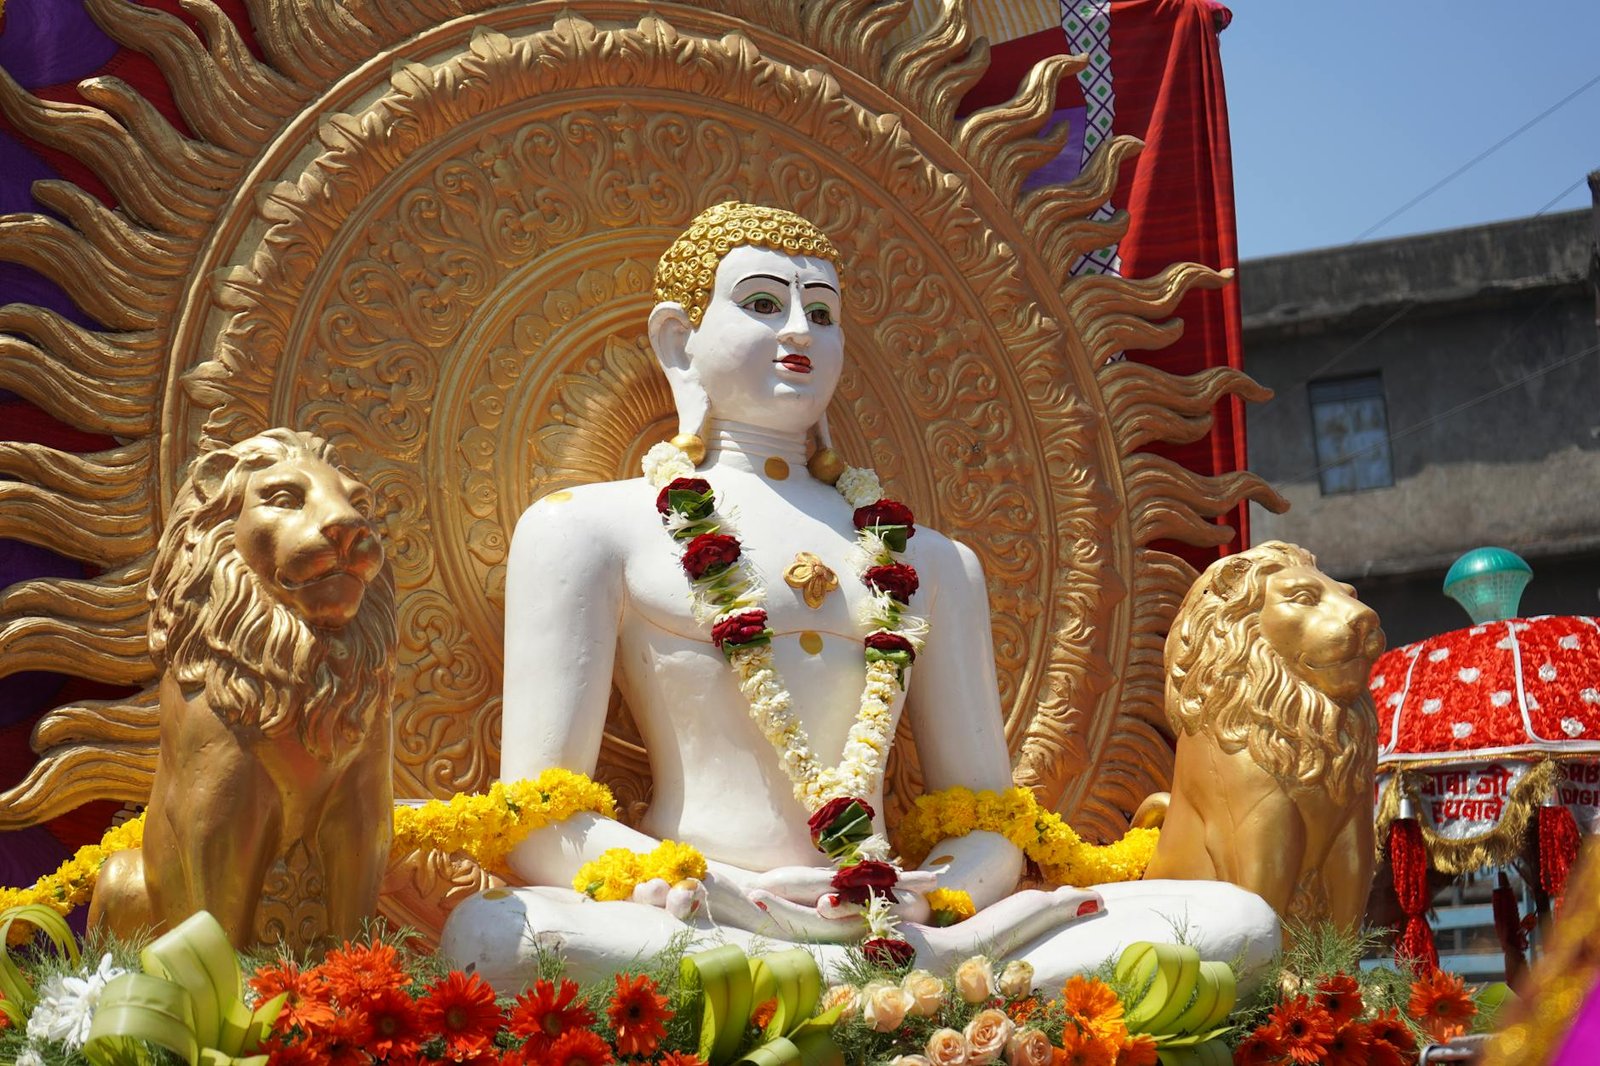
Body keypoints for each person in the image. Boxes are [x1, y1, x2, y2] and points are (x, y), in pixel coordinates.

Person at [440, 203, 1277, 987]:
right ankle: (911, 981)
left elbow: (990, 824)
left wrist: (934, 899)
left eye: (823, 312)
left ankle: (889, 969)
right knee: (492, 939)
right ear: (678, 340)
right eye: (763, 304)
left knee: (1232, 923)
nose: (800, 330)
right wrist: (714, 888)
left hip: (893, 914)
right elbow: (541, 819)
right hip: (698, 915)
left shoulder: (933, 561)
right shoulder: (591, 528)